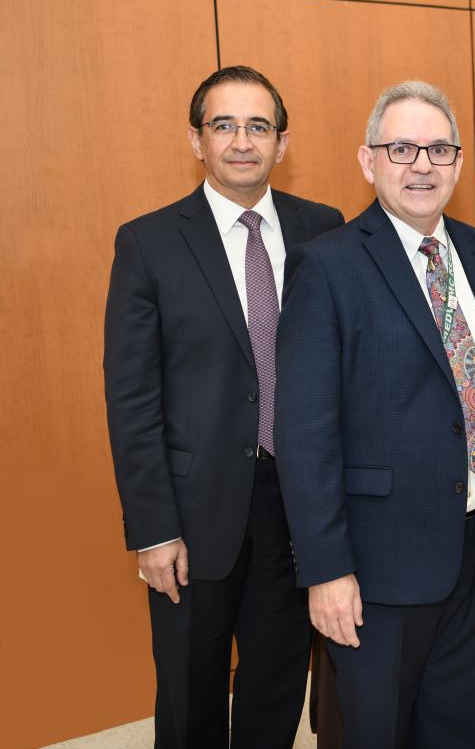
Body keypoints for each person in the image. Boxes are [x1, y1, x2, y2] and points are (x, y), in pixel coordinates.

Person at [274, 80, 475, 749]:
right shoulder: (327, 264)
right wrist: (326, 570)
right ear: (369, 161)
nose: (422, 164)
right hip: (377, 565)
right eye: (402, 148)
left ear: (457, 161)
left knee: (463, 728)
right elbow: (305, 432)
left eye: (439, 149)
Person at [103, 65, 343, 748]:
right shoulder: (147, 242)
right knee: (191, 697)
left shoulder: (322, 231)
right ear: (196, 139)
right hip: (190, 515)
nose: (243, 140)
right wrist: (152, 529)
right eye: (224, 124)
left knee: (276, 691)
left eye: (259, 125)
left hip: (296, 510)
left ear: (283, 142)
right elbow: (131, 396)